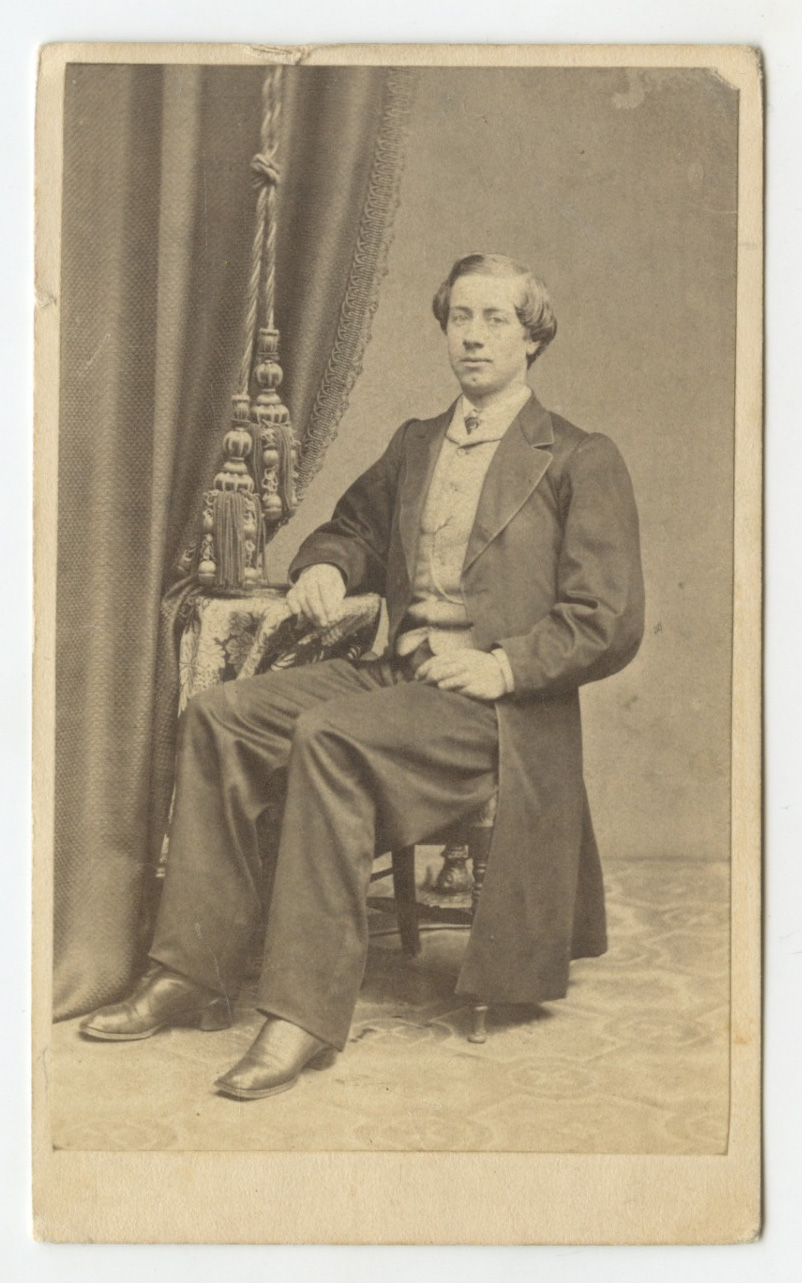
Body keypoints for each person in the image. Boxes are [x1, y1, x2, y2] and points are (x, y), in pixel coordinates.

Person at [80, 252, 645, 1100]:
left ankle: (302, 1014)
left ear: (532, 338)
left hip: (497, 710)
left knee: (329, 738)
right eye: (460, 316)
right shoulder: (416, 443)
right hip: (399, 675)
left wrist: (502, 664)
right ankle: (191, 966)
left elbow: (608, 616)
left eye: (495, 319)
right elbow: (355, 529)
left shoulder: (576, 457)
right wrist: (329, 565)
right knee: (220, 715)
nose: (474, 336)